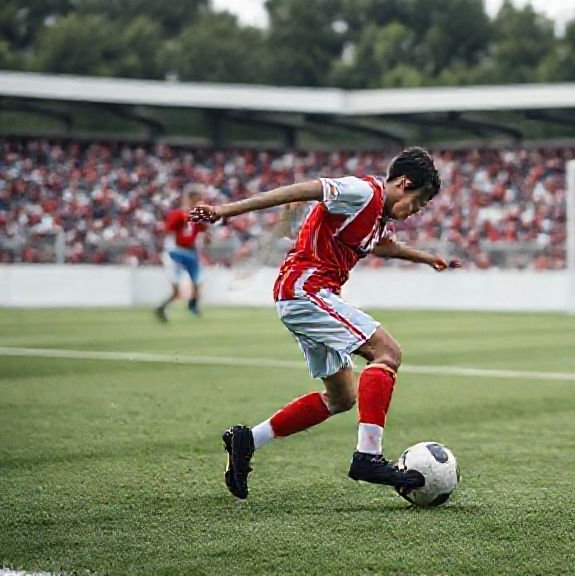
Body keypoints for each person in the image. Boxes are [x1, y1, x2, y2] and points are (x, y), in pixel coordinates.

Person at [189, 147, 459, 499]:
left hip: (305, 296)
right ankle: (368, 456)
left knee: (341, 397)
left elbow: (382, 246)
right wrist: (226, 210)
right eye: (418, 203)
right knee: (387, 352)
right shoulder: (363, 192)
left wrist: (427, 258)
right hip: (306, 291)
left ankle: (247, 440)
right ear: (404, 183)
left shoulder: (377, 217)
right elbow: (306, 189)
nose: (414, 212)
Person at [156, 187, 209, 322]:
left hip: (191, 252)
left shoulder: (198, 215)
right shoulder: (178, 214)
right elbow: (168, 231)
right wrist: (165, 250)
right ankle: (162, 307)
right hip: (177, 252)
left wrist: (207, 236)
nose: (200, 202)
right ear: (190, 199)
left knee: (198, 282)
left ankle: (192, 306)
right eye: (197, 199)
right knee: (177, 290)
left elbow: (204, 231)